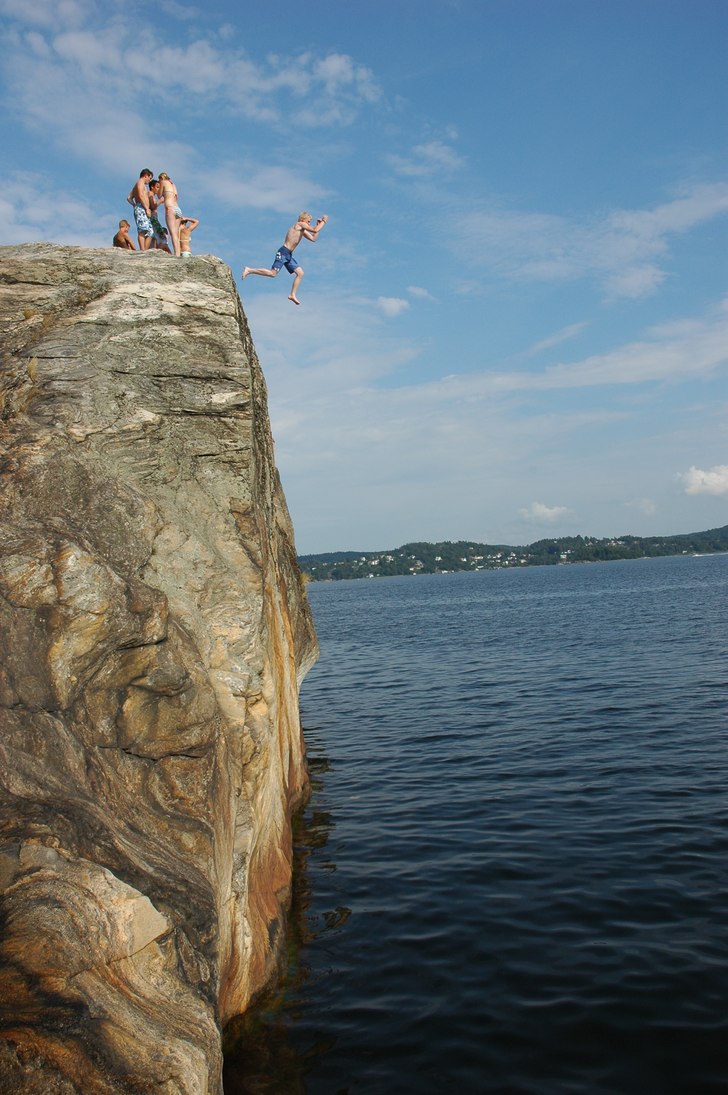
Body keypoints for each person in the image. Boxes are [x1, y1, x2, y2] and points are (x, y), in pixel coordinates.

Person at [241, 212, 328, 304]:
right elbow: (314, 229)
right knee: (273, 273)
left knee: (300, 273)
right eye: (308, 222)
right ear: (303, 220)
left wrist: (318, 226)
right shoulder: (299, 224)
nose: (309, 224)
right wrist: (324, 221)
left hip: (288, 255)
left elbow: (313, 238)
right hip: (283, 252)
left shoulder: (302, 230)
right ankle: (249, 270)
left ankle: (292, 295)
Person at [126, 169, 154, 250]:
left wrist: (134, 205)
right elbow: (141, 196)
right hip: (142, 208)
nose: (149, 180)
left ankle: (144, 249)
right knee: (143, 230)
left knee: (150, 231)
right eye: (150, 177)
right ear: (146, 175)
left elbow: (129, 198)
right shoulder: (140, 183)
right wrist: (146, 208)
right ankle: (142, 249)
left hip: (141, 207)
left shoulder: (138, 184)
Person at [158, 172, 183, 257]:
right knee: (176, 234)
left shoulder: (163, 182)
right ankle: (178, 253)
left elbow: (158, 195)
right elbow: (176, 197)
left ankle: (176, 254)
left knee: (172, 233)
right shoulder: (173, 185)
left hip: (170, 208)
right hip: (178, 209)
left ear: (161, 178)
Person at [148, 180, 172, 253]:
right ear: (152, 187)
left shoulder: (152, 195)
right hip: (152, 218)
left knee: (156, 235)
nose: (158, 189)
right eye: (157, 187)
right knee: (158, 235)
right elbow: (152, 207)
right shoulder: (150, 194)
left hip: (154, 218)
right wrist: (160, 201)